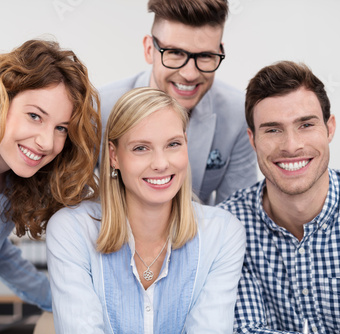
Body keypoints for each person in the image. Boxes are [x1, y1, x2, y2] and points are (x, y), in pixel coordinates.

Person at [47, 87, 245, 333]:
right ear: (113, 156)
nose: (161, 164)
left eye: (173, 144)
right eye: (141, 148)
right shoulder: (72, 230)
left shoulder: (222, 233)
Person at [0, 39, 101, 311]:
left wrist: (73, 304)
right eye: (35, 116)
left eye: (61, 128)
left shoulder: (18, 181)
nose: (47, 142)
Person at [219, 61, 338, 333]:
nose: (291, 146)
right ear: (253, 139)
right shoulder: (228, 226)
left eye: (305, 125)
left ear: (330, 128)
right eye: (273, 130)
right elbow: (245, 330)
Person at [99, 0, 257, 204]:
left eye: (206, 56)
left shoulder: (238, 113)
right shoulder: (100, 109)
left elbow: (237, 211)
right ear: (149, 50)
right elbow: (77, 204)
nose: (189, 74)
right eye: (175, 53)